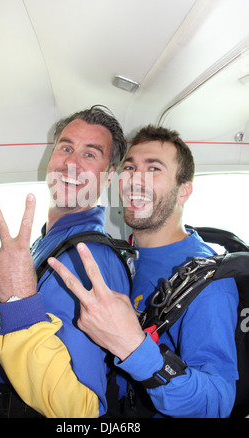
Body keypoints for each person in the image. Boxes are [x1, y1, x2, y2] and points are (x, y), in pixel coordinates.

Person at [48, 124, 239, 418]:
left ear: (184, 190)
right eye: (130, 167)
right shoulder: (117, 256)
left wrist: (134, 348)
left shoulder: (206, 280)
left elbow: (216, 403)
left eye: (154, 169)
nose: (136, 179)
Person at [0, 106, 131, 418]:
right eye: (66, 147)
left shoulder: (88, 260)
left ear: (109, 175)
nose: (71, 163)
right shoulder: (51, 240)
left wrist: (17, 298)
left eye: (90, 154)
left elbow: (82, 410)